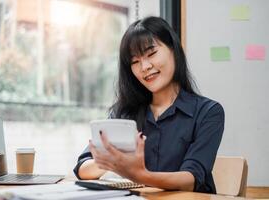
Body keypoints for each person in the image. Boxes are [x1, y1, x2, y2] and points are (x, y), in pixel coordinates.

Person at [73, 16, 224, 194]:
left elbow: (190, 179)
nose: (144, 66)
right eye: (135, 61)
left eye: (151, 53)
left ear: (173, 50)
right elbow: (83, 169)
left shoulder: (208, 112)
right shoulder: (124, 113)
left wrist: (138, 174)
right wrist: (114, 161)